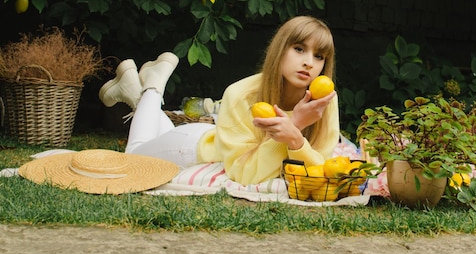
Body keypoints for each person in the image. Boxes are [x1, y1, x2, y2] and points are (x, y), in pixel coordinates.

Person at [98, 15, 340, 185]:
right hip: (191, 149)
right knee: (133, 157)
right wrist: (295, 125)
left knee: (152, 134)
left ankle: (133, 87)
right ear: (280, 50)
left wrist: (295, 138)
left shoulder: (325, 101)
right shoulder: (241, 94)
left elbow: (319, 169)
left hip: (217, 138)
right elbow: (246, 174)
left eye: (318, 56)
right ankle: (153, 87)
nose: (309, 61)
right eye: (299, 49)